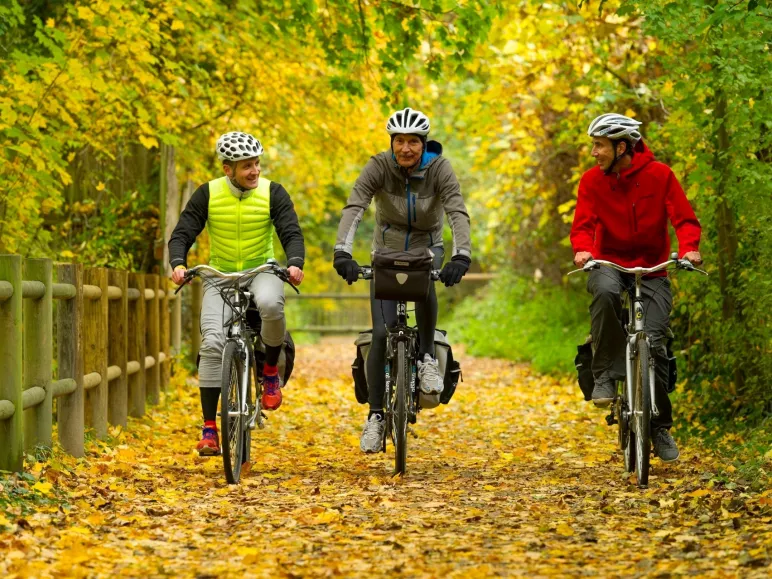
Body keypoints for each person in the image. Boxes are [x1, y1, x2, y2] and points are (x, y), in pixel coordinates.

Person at [333, 107, 472, 453]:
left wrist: (461, 255)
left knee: (424, 284)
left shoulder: (439, 169)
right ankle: (376, 417)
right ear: (391, 143)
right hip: (386, 250)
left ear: (424, 144)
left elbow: (456, 210)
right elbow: (355, 206)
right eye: (399, 141)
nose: (406, 148)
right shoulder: (378, 166)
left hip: (428, 247)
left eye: (413, 142)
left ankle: (426, 358)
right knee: (380, 333)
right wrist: (342, 252)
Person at [570, 113, 702, 462]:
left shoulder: (660, 176)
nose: (595, 152)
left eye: (599, 145)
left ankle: (659, 426)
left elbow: (684, 218)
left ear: (622, 147)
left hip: (653, 267)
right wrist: (583, 249)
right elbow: (582, 223)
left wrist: (689, 247)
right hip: (609, 262)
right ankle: (605, 375)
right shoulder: (592, 182)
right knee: (604, 292)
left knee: (655, 344)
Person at [169, 131, 305, 456]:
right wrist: (178, 264)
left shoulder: (273, 192)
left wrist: (295, 262)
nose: (254, 171)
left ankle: (270, 371)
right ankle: (209, 428)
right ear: (228, 169)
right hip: (220, 276)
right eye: (247, 166)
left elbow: (290, 230)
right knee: (213, 342)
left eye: (257, 163)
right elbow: (183, 231)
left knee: (272, 304)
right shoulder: (208, 194)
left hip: (262, 270)